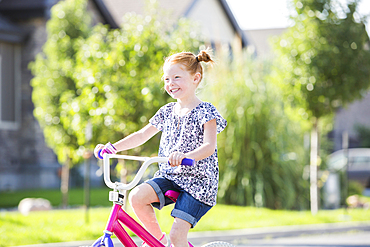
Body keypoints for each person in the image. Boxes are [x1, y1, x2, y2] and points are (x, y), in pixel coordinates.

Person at [94, 49, 227, 247]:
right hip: (171, 177)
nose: (170, 83)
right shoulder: (166, 112)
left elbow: (209, 146)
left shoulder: (206, 111)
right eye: (166, 79)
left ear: (195, 78)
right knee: (137, 197)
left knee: (177, 236)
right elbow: (141, 135)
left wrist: (185, 156)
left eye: (176, 77)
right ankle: (157, 242)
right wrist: (113, 148)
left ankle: (171, 241)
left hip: (198, 184)